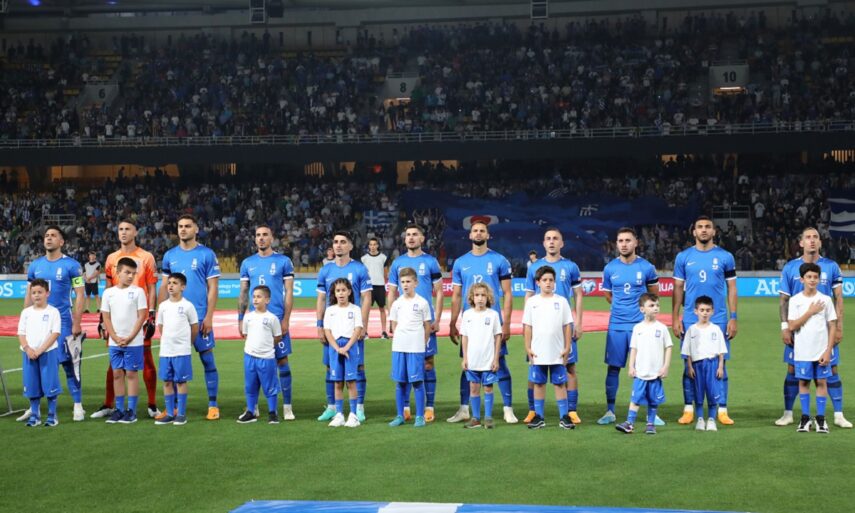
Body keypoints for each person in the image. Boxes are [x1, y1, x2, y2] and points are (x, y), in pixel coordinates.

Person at [777, 227, 849, 428]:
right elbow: (783, 300)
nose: (811, 240)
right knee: (793, 369)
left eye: (815, 237)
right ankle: (788, 413)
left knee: (831, 368)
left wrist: (839, 326)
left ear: (820, 242)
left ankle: (838, 415)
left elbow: (839, 298)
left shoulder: (831, 267)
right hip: (798, 329)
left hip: (824, 331)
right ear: (801, 243)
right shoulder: (790, 268)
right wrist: (784, 327)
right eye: (807, 237)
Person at [448, 221, 516, 424]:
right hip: (470, 324)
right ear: (470, 235)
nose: (478, 233)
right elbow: (456, 295)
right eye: (475, 231)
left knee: (500, 364)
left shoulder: (499, 260)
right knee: (468, 365)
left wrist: (506, 323)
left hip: (492, 323)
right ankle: (464, 409)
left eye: (482, 231)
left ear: (488, 235)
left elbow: (508, 293)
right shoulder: (460, 262)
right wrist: (453, 322)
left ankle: (508, 409)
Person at [672, 215, 737, 426]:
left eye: (708, 226)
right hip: (691, 319)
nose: (704, 230)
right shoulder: (683, 257)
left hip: (718, 319)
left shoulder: (725, 257)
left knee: (720, 364)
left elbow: (732, 288)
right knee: (689, 364)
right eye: (700, 227)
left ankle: (722, 409)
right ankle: (688, 408)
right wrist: (675, 317)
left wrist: (733, 317)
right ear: (694, 232)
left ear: (714, 231)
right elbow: (678, 288)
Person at [92, 220, 160, 420]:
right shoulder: (111, 258)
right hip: (116, 322)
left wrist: (151, 314)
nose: (123, 232)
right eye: (120, 229)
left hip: (138, 320)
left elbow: (151, 287)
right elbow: (108, 288)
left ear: (136, 232)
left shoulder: (146, 257)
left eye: (127, 229)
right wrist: (103, 319)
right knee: (114, 366)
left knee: (145, 360)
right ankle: (110, 404)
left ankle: (152, 404)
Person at [18, 226, 85, 423]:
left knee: (69, 363)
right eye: (47, 235)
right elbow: (29, 293)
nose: (49, 238)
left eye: (53, 236)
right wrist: (25, 317)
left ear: (61, 242)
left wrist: (77, 322)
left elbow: (80, 294)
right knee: (36, 363)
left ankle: (78, 405)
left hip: (63, 322)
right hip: (38, 324)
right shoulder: (35, 265)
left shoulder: (72, 265)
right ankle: (34, 408)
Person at [159, 214, 222, 420]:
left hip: (200, 317)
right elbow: (164, 286)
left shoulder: (206, 254)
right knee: (172, 363)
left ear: (196, 229)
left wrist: (209, 317)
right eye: (180, 226)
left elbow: (213, 288)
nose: (183, 229)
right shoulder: (170, 255)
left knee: (207, 359)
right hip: (174, 320)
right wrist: (159, 313)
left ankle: (213, 405)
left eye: (187, 226)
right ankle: (174, 408)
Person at [598, 227, 661, 426]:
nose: (624, 244)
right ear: (616, 244)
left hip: (640, 327)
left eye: (628, 240)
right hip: (617, 325)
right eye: (620, 241)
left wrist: (639, 312)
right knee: (613, 368)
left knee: (646, 368)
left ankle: (651, 413)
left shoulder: (647, 267)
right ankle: (610, 411)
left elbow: (653, 295)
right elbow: (608, 294)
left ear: (636, 243)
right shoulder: (610, 268)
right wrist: (621, 308)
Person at [524, 228, 583, 424]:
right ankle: (534, 411)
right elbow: (528, 295)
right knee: (535, 370)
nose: (551, 242)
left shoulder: (571, 266)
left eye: (555, 238)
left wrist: (578, 323)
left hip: (562, 327)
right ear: (543, 243)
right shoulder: (534, 267)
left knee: (569, 367)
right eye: (548, 238)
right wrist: (528, 328)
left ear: (561, 243)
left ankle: (571, 411)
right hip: (539, 330)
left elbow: (578, 295)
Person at [386, 224, 443, 422]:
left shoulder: (431, 261)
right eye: (408, 234)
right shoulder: (397, 263)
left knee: (427, 363)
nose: (411, 238)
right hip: (404, 323)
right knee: (403, 369)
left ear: (422, 238)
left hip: (424, 320)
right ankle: (405, 409)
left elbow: (439, 291)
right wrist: (391, 319)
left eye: (415, 234)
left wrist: (437, 318)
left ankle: (429, 407)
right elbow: (392, 292)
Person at [239, 225, 296, 420]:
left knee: (282, 361)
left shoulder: (283, 261)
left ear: (272, 238)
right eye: (258, 235)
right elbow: (243, 292)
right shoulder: (247, 263)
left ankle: (287, 406)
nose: (261, 238)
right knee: (254, 362)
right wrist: (240, 318)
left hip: (276, 320)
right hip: (255, 321)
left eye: (265, 235)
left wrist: (286, 319)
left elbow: (289, 292)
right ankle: (253, 408)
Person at [316, 231, 372, 422]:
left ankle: (359, 408)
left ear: (350, 246)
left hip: (352, 328)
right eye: (335, 242)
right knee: (330, 366)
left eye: (342, 242)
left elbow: (366, 298)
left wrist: (363, 325)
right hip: (332, 327)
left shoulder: (359, 269)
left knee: (358, 366)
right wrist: (319, 325)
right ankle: (332, 407)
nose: (338, 245)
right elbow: (321, 299)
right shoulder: (325, 270)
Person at [523, 266, 574, 430]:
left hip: (557, 351)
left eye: (551, 280)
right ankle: (539, 416)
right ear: (538, 282)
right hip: (538, 351)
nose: (548, 283)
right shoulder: (532, 302)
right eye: (544, 280)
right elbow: (527, 326)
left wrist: (567, 347)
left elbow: (567, 325)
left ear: (554, 282)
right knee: (538, 383)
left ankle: (564, 416)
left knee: (560, 384)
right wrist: (527, 347)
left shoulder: (562, 301)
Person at [788, 262, 837, 433]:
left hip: (821, 351)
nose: (812, 280)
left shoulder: (826, 300)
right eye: (809, 277)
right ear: (802, 279)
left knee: (822, 382)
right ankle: (805, 418)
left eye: (815, 277)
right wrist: (810, 311)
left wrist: (828, 351)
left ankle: (821, 419)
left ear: (819, 279)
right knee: (803, 382)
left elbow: (832, 326)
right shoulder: (795, 301)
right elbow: (792, 326)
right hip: (802, 351)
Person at [615, 293, 672, 435]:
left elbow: (668, 347)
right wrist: (631, 366)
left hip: (655, 372)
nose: (655, 308)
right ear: (642, 309)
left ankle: (650, 424)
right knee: (635, 398)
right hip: (640, 371)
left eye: (657, 305)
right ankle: (629, 423)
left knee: (653, 400)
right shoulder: (638, 328)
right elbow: (633, 348)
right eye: (651, 305)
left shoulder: (662, 328)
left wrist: (665, 366)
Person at [100, 257, 148, 424]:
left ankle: (131, 411)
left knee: (132, 374)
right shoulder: (108, 293)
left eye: (133, 273)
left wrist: (129, 337)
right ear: (118, 272)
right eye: (127, 272)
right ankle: (119, 409)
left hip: (133, 342)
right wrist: (114, 336)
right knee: (117, 374)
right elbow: (106, 317)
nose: (130, 276)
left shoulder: (138, 292)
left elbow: (142, 316)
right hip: (115, 341)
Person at [387, 267, 432, 428]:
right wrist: (400, 337)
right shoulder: (396, 303)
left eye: (408, 281)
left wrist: (422, 342)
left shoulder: (422, 302)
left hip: (415, 347)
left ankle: (419, 416)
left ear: (416, 283)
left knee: (417, 382)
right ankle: (400, 415)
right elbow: (394, 325)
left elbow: (427, 325)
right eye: (403, 282)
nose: (405, 285)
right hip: (399, 347)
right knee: (400, 382)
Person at [17, 279, 62, 427]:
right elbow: (21, 333)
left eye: (40, 292)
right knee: (32, 386)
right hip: (29, 354)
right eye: (33, 292)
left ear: (47, 293)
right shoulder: (26, 313)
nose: (36, 295)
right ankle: (35, 416)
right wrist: (27, 349)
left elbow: (55, 333)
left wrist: (40, 350)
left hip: (48, 353)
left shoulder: (53, 312)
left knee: (50, 385)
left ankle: (52, 415)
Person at [155, 272, 198, 426]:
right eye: (169, 283)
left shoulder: (188, 306)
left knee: (180, 381)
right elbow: (161, 326)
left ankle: (181, 414)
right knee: (167, 381)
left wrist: (187, 343)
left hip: (181, 351)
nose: (171, 286)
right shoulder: (163, 306)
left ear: (183, 287)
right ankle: (169, 413)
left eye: (175, 283)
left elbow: (194, 327)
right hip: (166, 351)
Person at [681, 296, 728, 432]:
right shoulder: (691, 330)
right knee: (698, 392)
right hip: (697, 365)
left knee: (712, 393)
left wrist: (720, 367)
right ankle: (700, 419)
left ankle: (711, 420)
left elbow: (721, 351)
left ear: (712, 311)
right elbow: (687, 351)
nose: (705, 313)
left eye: (708, 310)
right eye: (702, 310)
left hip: (712, 364)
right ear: (696, 311)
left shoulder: (716, 329)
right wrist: (690, 366)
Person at [237, 285, 283, 425]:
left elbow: (277, 337)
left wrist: (266, 348)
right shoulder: (248, 317)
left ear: (267, 300)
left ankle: (272, 413)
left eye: (259, 297)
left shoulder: (272, 318)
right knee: (250, 386)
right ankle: (251, 412)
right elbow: (246, 334)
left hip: (266, 358)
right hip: (250, 357)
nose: (255, 299)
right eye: (254, 297)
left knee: (270, 387)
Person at [323, 278, 364, 428]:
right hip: (335, 348)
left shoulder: (355, 309)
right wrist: (337, 348)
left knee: (351, 381)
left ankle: (353, 415)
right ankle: (339, 414)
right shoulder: (330, 310)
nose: (341, 293)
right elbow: (327, 331)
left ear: (349, 292)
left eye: (343, 290)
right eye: (338, 291)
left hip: (350, 347)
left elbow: (358, 329)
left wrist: (346, 347)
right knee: (337, 382)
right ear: (334, 293)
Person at [461, 282, 502, 429]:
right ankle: (476, 418)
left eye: (483, 295)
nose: (480, 298)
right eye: (477, 295)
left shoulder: (493, 315)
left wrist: (496, 358)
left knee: (488, 388)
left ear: (488, 297)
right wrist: (465, 358)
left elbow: (498, 336)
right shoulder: (467, 315)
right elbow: (464, 337)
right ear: (472, 297)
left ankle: (488, 417)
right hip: (473, 360)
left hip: (488, 360)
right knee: (473, 388)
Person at [361, 237, 389, 339]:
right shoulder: (364, 259)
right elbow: (362, 273)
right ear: (368, 246)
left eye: (374, 244)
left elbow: (385, 273)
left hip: (380, 286)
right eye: (371, 245)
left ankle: (384, 332)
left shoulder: (383, 257)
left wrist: (382, 281)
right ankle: (365, 332)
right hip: (368, 287)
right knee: (366, 310)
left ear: (377, 245)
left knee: (382, 309)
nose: (372, 246)